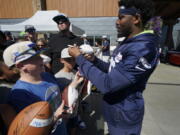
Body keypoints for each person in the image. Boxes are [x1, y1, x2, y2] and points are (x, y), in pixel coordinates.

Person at [68, 0, 159, 134]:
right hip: (116, 110)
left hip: (124, 115)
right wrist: (94, 61)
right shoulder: (130, 42)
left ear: (136, 19)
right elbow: (113, 70)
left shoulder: (143, 48)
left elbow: (108, 84)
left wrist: (79, 58)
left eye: (121, 17)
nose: (117, 22)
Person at [3, 41, 83, 135]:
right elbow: (30, 129)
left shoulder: (46, 76)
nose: (42, 59)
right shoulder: (20, 94)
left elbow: (59, 93)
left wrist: (75, 82)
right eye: (35, 58)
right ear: (21, 65)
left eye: (40, 56)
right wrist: (55, 117)